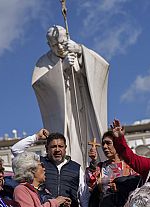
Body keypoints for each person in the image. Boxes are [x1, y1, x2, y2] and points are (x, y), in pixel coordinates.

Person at [32, 25, 110, 167]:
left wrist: (81, 52)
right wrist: (62, 69)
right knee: (72, 144)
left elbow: (102, 67)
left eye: (62, 42)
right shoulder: (43, 63)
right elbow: (40, 85)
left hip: (85, 107)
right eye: (55, 45)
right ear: (48, 45)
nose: (60, 47)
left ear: (67, 38)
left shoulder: (78, 49)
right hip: (67, 113)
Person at [11, 130, 90, 207]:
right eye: (53, 147)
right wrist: (36, 137)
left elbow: (84, 197)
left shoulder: (76, 168)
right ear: (46, 148)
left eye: (60, 146)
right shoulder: (39, 164)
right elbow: (16, 149)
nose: (57, 150)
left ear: (65, 148)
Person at [86, 131, 137, 207]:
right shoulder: (101, 166)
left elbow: (138, 185)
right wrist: (93, 161)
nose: (104, 146)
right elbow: (90, 182)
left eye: (108, 143)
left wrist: (120, 187)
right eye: (103, 144)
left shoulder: (129, 166)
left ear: (117, 144)